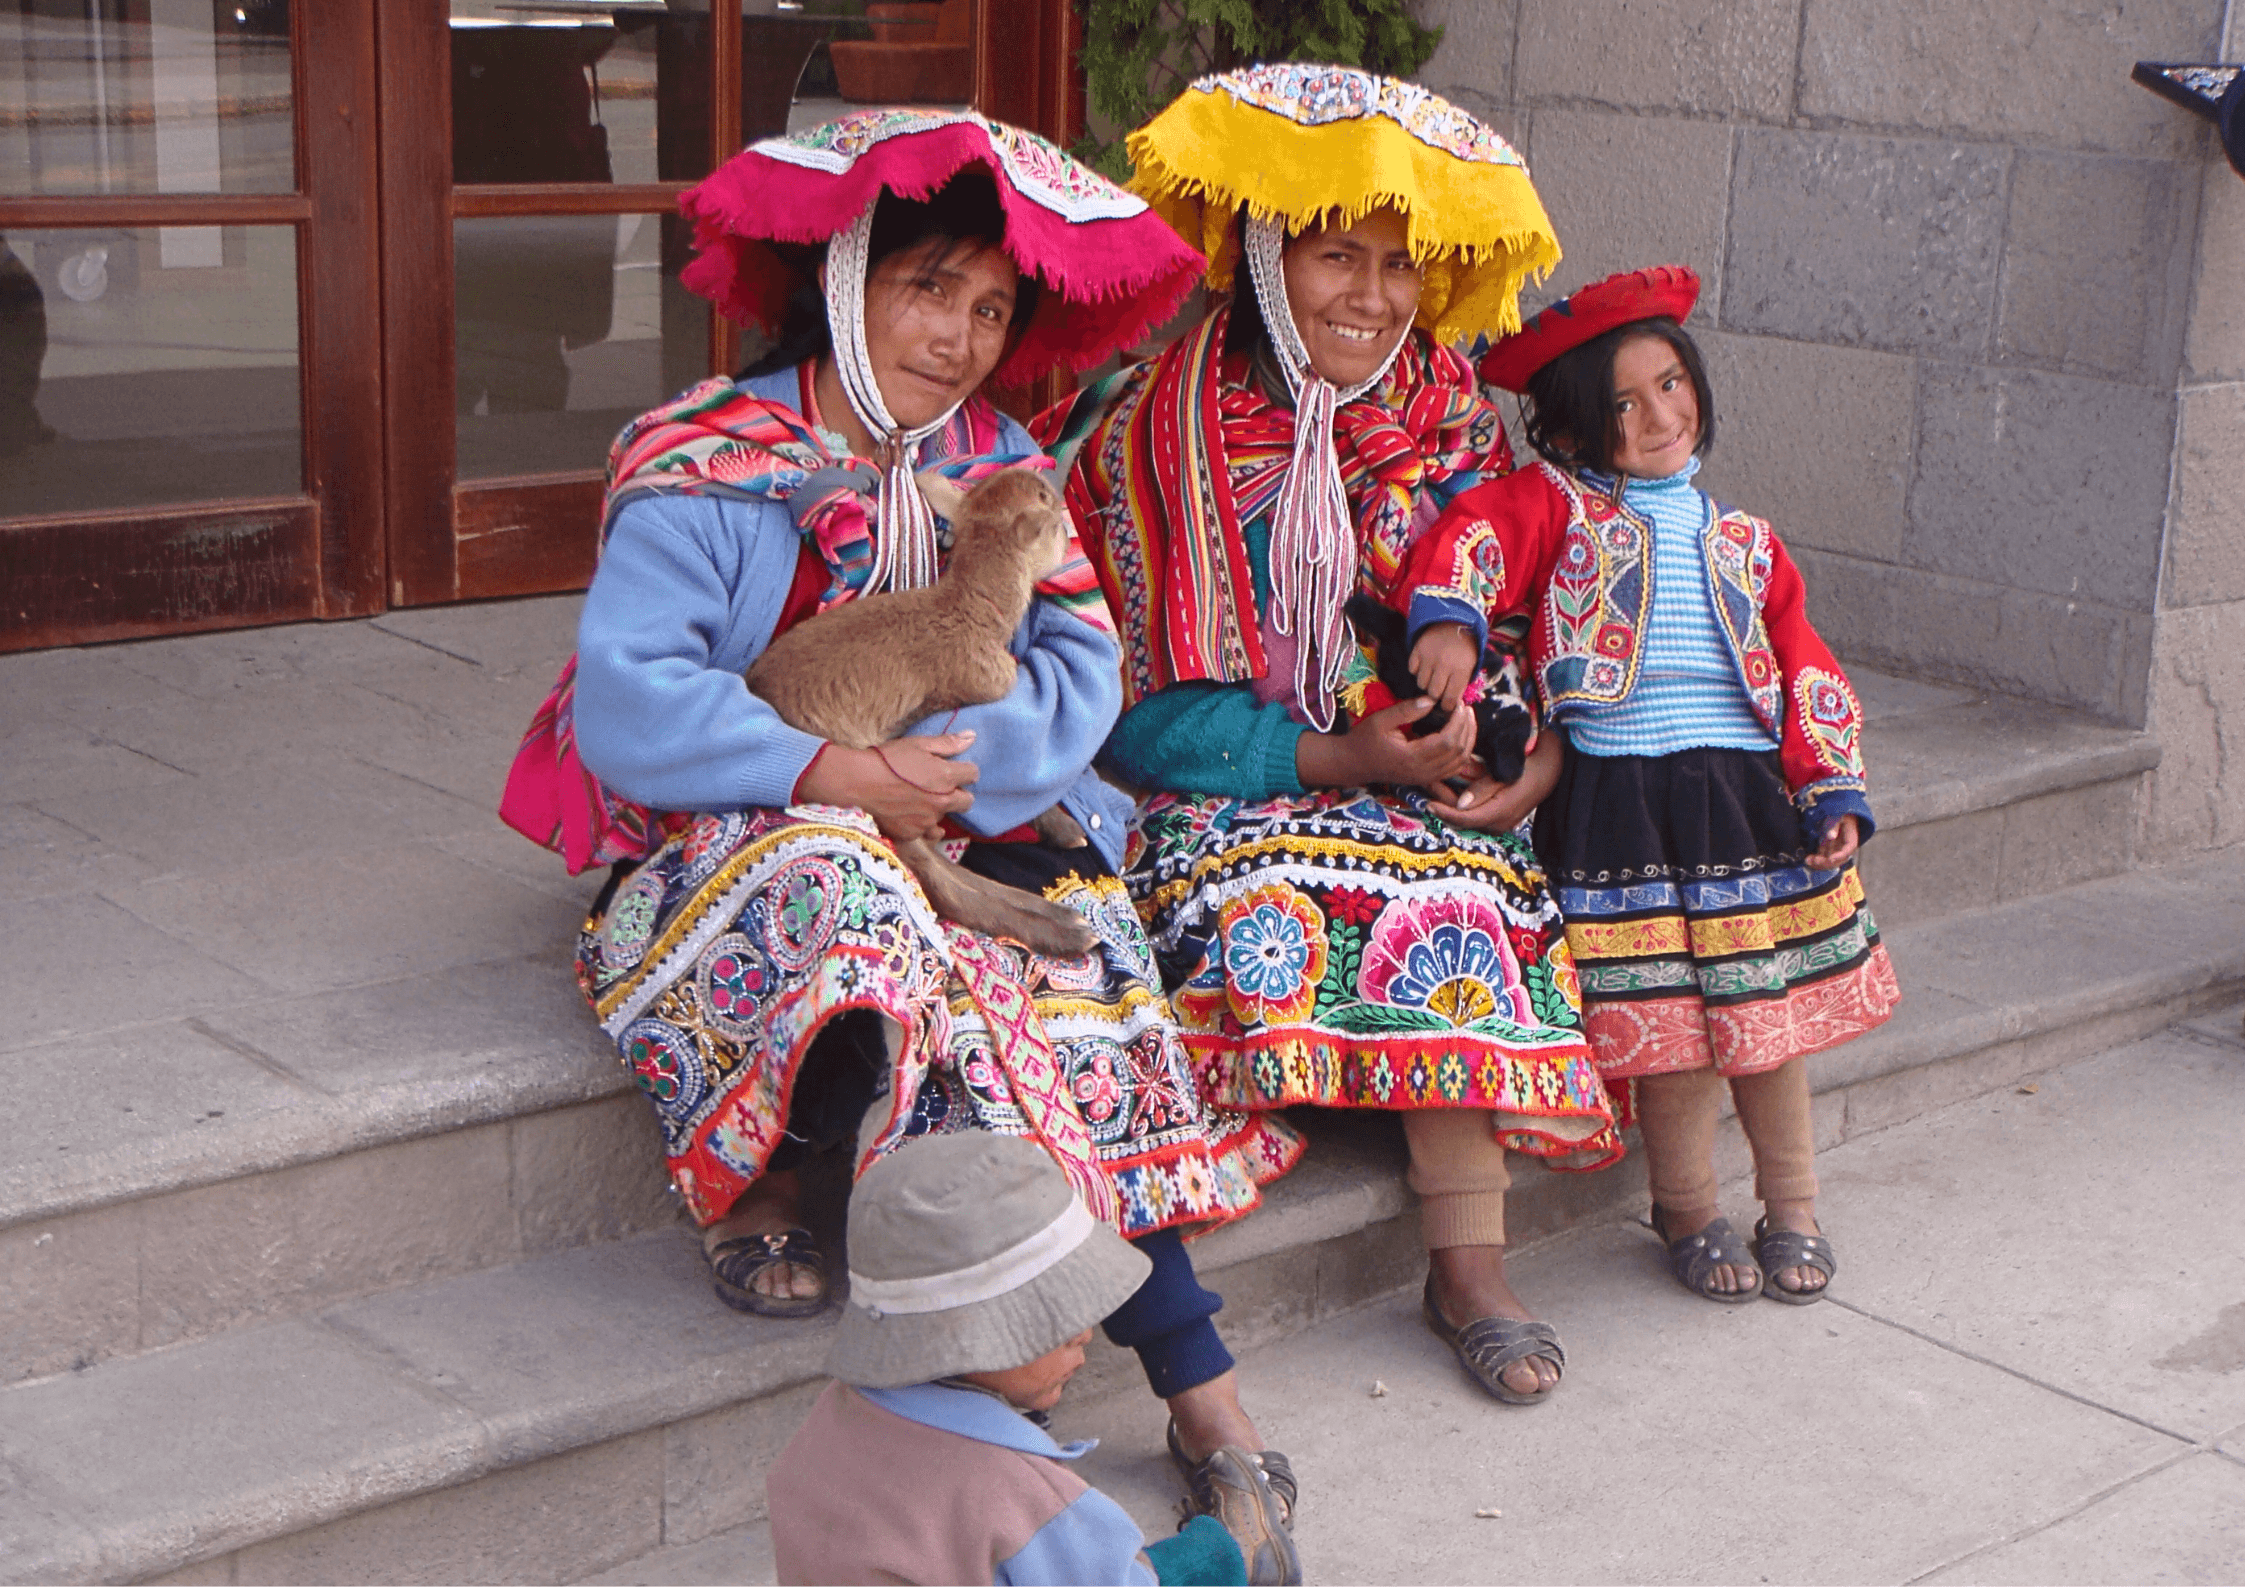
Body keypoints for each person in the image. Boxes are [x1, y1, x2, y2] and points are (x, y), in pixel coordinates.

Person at [500, 111, 1301, 1575]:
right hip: (732, 826)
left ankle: (1195, 1380)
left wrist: (946, 773)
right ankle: (791, 1182)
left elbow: (1079, 671)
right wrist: (836, 766)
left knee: (1080, 945)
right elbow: (633, 693)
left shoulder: (1002, 469)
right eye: (928, 287)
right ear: (844, 279)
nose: (960, 337)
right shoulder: (708, 456)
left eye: (993, 308)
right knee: (861, 898)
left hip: (948, 808)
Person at [1038, 64, 1619, 1407]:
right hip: (1236, 778)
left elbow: (1543, 619)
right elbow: (1124, 705)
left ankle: (1465, 1258)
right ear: (1257, 257)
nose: (1370, 296)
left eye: (1398, 266)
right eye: (1332, 258)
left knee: (1457, 887)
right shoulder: (1152, 436)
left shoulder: (1459, 426)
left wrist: (1534, 760)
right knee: (1278, 888)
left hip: (1428, 776)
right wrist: (1338, 761)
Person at [1423, 264, 1902, 1302]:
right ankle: (1685, 1206)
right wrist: (1449, 624)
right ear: (1572, 428)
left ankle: (1795, 1204)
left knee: (1762, 1022)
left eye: (1671, 383)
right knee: (1672, 1033)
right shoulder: (1550, 507)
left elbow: (1804, 659)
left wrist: (1830, 785)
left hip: (1740, 802)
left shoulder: (1744, 542)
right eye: (1622, 402)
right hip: (1621, 805)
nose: (1656, 415)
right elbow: (1472, 540)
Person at [767, 1131, 1252, 1586]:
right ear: (972, 1338)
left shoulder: (824, 1429)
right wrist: (1217, 1550)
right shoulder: (1025, 1495)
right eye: (1054, 1320)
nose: (1085, 1334)